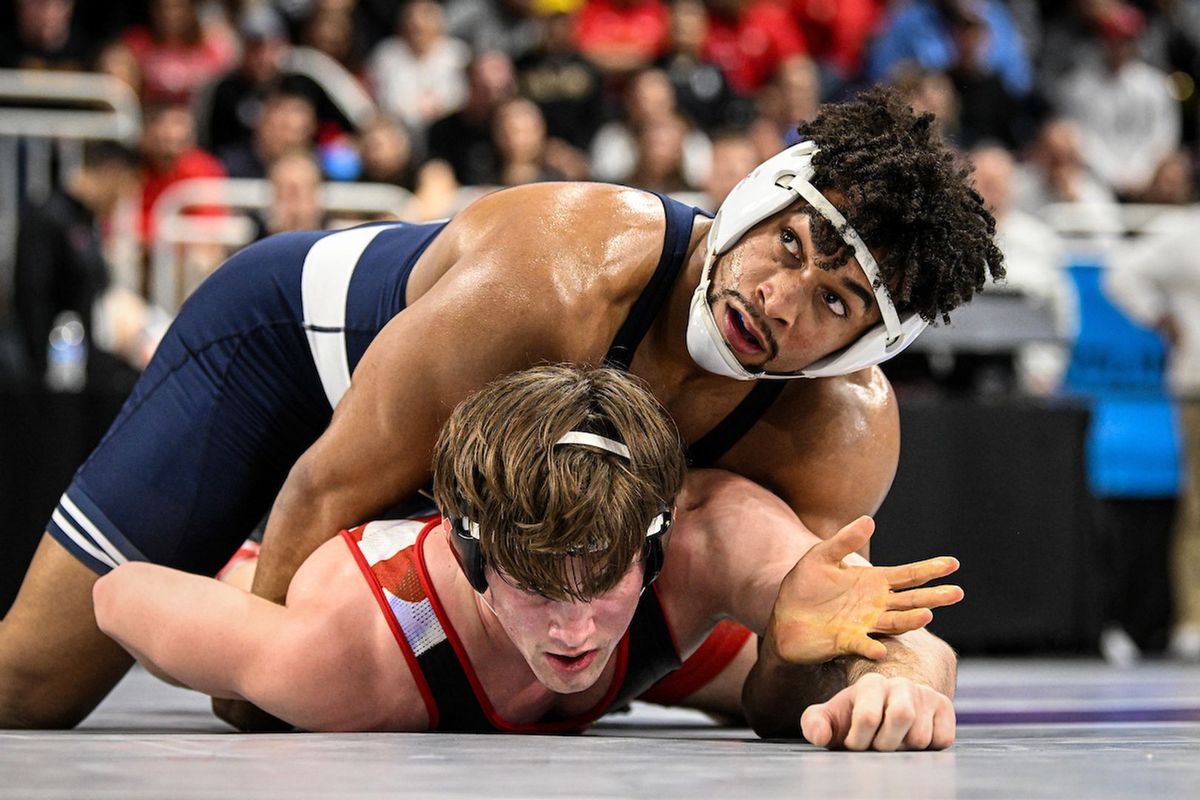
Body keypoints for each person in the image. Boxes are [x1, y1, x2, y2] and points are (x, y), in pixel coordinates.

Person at [0, 87, 1002, 736]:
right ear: (753, 202)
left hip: (505, 475)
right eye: (789, 248)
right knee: (31, 689)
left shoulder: (841, 432)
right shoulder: (560, 277)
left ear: (869, 346)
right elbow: (330, 478)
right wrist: (260, 686)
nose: (780, 302)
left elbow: (788, 679)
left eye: (835, 302)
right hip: (293, 362)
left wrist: (800, 652)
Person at [93, 365, 963, 745]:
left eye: (605, 578)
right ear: (475, 560)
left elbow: (899, 631)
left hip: (629, 633)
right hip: (356, 599)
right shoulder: (340, 659)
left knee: (801, 666)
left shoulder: (702, 530)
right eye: (540, 587)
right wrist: (240, 661)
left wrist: (899, 687)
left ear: (653, 543)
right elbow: (120, 594)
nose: (576, 627)